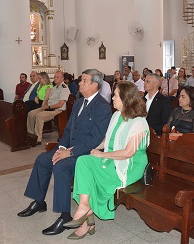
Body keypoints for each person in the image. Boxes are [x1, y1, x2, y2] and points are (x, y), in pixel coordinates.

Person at [18, 69, 111, 236]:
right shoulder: (77, 103)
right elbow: (68, 130)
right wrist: (60, 148)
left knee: (60, 167)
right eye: (81, 80)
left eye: (83, 81)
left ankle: (65, 215)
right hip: (68, 149)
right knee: (42, 159)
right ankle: (39, 201)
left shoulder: (103, 107)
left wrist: (70, 152)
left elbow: (96, 140)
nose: (79, 83)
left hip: (86, 154)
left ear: (94, 84)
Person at [63, 81, 149, 239]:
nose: (112, 99)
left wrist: (102, 155)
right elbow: (108, 140)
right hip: (114, 158)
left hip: (130, 166)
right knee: (83, 161)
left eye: (115, 95)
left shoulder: (139, 122)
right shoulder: (117, 115)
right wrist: (91, 148)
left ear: (125, 99)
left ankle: (86, 219)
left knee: (94, 174)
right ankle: (84, 208)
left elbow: (129, 153)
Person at [27, 71, 70, 145]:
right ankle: (31, 135)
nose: (55, 79)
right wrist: (45, 105)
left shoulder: (64, 88)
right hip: (49, 107)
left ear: (62, 79)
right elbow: (48, 99)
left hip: (57, 110)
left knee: (39, 116)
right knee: (31, 114)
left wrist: (48, 106)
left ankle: (38, 138)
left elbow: (60, 104)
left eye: (57, 77)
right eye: (54, 77)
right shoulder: (54, 87)